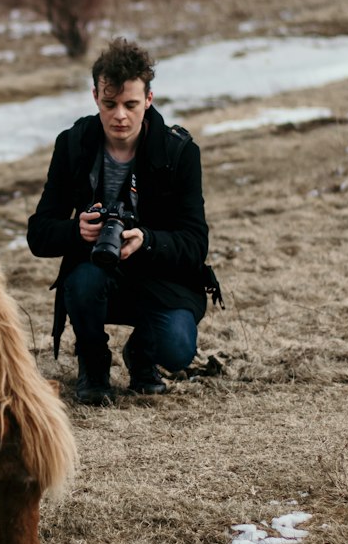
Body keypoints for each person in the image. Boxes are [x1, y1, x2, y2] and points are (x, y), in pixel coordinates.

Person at [26, 36, 212, 405]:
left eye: (130, 104)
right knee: (81, 283)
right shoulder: (74, 145)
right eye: (109, 104)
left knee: (177, 348)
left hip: (160, 278)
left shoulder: (180, 153)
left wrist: (147, 239)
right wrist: (77, 231)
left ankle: (142, 356)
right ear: (95, 97)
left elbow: (195, 242)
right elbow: (38, 233)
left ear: (149, 99)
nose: (120, 116)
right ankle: (93, 367)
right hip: (96, 274)